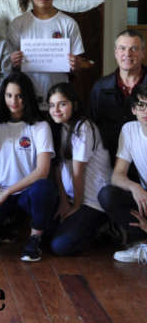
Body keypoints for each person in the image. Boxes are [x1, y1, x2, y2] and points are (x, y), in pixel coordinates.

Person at [0, 72, 56, 262]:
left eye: (19, 95)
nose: (14, 101)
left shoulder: (40, 126)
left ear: (28, 96)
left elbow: (42, 171)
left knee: (44, 187)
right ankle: (8, 220)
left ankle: (35, 238)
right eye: (9, 95)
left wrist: (7, 193)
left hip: (27, 195)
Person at [45, 83, 115, 257]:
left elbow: (78, 172)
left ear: (75, 105)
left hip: (94, 201)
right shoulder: (59, 127)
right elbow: (59, 168)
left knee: (60, 246)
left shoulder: (83, 127)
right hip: (74, 197)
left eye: (62, 104)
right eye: (52, 105)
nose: (56, 110)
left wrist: (76, 207)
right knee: (45, 236)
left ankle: (107, 226)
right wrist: (64, 202)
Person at [7, 0, 84, 111]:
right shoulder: (18, 24)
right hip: (26, 100)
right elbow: (10, 67)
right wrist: (14, 63)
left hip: (59, 102)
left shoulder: (68, 23)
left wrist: (75, 66)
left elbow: (74, 70)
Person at [98, 83, 147, 264]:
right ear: (134, 109)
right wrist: (135, 187)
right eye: (141, 105)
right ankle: (145, 245)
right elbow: (117, 175)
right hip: (145, 197)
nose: (145, 110)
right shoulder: (130, 129)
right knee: (107, 195)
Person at [89, 29, 147, 165]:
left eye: (134, 48)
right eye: (122, 48)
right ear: (116, 53)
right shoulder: (100, 86)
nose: (127, 53)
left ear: (143, 53)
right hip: (108, 162)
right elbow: (92, 126)